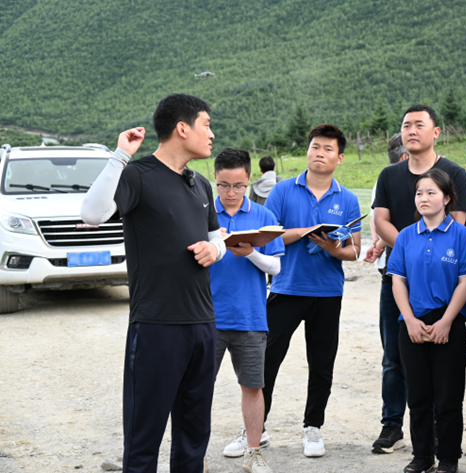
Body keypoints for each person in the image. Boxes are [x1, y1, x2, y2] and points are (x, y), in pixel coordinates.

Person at [80, 93, 226, 473]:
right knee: (144, 437)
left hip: (203, 324)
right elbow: (92, 213)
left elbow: (218, 238)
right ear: (182, 128)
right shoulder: (138, 175)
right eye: (206, 125)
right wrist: (120, 156)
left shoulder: (200, 184)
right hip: (157, 326)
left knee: (194, 436)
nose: (212, 134)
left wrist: (216, 250)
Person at [368, 104, 466, 455]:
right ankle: (392, 424)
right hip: (398, 279)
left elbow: (457, 225)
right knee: (394, 355)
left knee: (442, 362)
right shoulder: (389, 175)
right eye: (405, 125)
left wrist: (418, 251)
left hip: (443, 282)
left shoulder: (454, 173)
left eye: (419, 124)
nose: (411, 131)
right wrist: (408, 251)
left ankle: (439, 437)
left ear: (436, 132)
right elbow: (381, 221)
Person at [262, 124, 362, 458]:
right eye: (315, 147)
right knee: (266, 360)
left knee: (321, 364)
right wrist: (308, 231)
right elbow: (268, 235)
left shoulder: (348, 199)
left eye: (327, 149)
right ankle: (255, 427)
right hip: (286, 287)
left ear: (340, 157)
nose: (319, 153)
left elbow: (354, 250)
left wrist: (333, 248)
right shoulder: (282, 191)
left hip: (327, 293)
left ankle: (313, 427)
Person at [387, 169, 466, 473]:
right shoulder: (405, 236)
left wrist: (447, 321)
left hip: (448, 323)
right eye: (419, 193)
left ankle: (448, 459)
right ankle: (422, 456)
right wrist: (410, 320)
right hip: (412, 323)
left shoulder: (462, 235)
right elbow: (398, 280)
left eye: (431, 192)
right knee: (418, 397)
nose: (423, 198)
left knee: (449, 399)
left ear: (447, 198)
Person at [209, 149, 285, 473]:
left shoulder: (264, 215)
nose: (231, 193)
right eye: (224, 185)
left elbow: (276, 267)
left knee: (253, 387)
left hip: (250, 316)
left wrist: (250, 252)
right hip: (206, 316)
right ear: (214, 178)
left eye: (238, 186)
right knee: (197, 388)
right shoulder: (201, 213)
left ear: (249, 179)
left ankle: (253, 454)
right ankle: (193, 456)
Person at [364, 133, 409, 268]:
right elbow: (394, 223)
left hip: (383, 257)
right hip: (399, 256)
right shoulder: (401, 181)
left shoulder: (380, 180)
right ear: (405, 157)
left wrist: (376, 243)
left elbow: (374, 217)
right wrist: (378, 246)